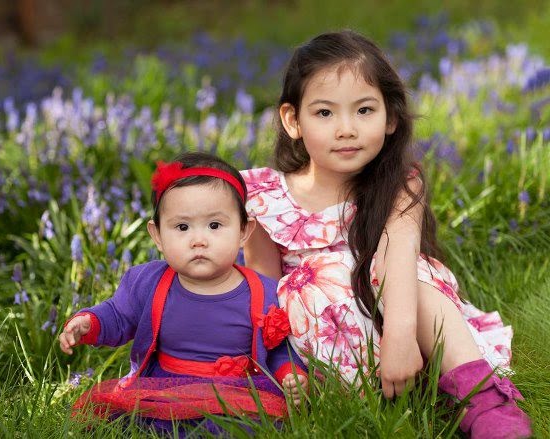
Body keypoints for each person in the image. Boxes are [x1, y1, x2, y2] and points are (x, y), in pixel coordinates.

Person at [241, 30, 532, 438]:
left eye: (364, 110)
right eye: (325, 113)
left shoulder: (399, 184)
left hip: (402, 323)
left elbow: (399, 253)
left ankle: (483, 399)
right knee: (304, 288)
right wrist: (278, 365)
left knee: (404, 271)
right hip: (323, 348)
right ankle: (376, 396)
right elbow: (263, 293)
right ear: (293, 120)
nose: (346, 129)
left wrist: (398, 338)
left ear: (390, 117)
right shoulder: (265, 198)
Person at [59, 152, 308, 433]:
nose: (198, 240)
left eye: (215, 226)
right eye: (182, 227)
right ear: (158, 236)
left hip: (235, 395)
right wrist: (89, 323)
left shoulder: (261, 291)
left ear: (243, 231)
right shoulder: (148, 281)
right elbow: (118, 315)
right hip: (165, 388)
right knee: (127, 423)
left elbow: (277, 349)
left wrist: (291, 374)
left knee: (239, 428)